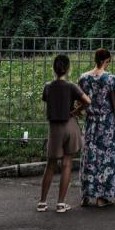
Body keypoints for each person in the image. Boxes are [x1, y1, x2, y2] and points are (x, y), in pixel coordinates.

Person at [38, 54, 91, 214]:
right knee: (67, 164)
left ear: (53, 68)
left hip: (54, 128)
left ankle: (42, 202)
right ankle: (61, 203)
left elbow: (47, 100)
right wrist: (75, 111)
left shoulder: (48, 86)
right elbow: (87, 101)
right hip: (70, 126)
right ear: (68, 68)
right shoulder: (72, 86)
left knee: (50, 165)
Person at [77, 48, 115, 208]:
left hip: (90, 122)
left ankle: (86, 195)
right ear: (107, 60)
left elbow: (81, 102)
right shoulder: (110, 79)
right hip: (106, 123)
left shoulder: (83, 78)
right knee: (106, 158)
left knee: (89, 157)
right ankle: (102, 197)